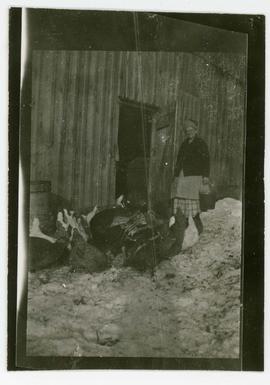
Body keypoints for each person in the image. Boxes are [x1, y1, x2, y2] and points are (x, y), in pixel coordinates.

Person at [172, 119, 210, 235]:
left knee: (192, 201)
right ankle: (185, 225)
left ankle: (199, 227)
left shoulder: (200, 143)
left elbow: (206, 160)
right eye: (187, 130)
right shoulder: (184, 144)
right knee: (182, 200)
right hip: (183, 176)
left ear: (195, 130)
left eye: (191, 129)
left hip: (194, 176)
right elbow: (179, 160)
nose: (189, 132)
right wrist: (176, 175)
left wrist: (206, 176)